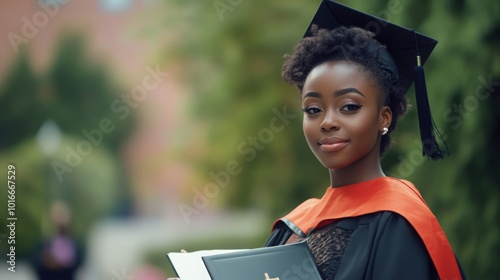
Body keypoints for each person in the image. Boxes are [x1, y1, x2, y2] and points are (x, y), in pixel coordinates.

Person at [264, 1, 466, 279]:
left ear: (384, 118)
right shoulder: (295, 225)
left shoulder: (397, 222)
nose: (327, 121)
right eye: (313, 109)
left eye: (349, 106)